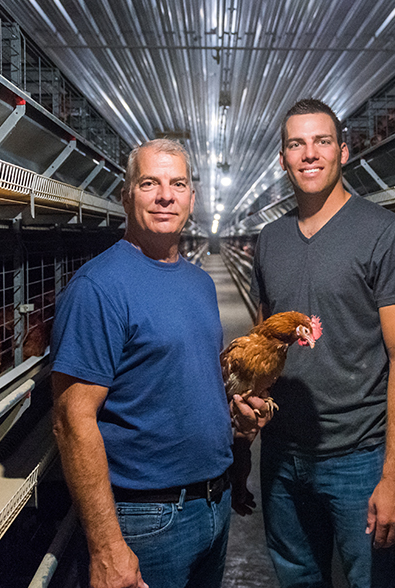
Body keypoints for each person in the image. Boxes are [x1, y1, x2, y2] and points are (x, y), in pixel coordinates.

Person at [237, 99, 395, 587]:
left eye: (322, 142)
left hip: (359, 458)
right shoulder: (270, 240)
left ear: (343, 151)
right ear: (282, 158)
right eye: (296, 144)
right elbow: (267, 339)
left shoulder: (385, 234)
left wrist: (394, 475)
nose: (310, 154)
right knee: (298, 579)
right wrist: (252, 409)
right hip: (282, 456)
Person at [50, 139, 263, 588]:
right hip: (146, 519)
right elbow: (72, 419)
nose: (166, 195)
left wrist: (230, 416)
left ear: (191, 198)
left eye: (178, 184)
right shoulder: (99, 287)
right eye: (150, 183)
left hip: (214, 504)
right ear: (127, 195)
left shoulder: (199, 282)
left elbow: (178, 382)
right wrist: (107, 547)